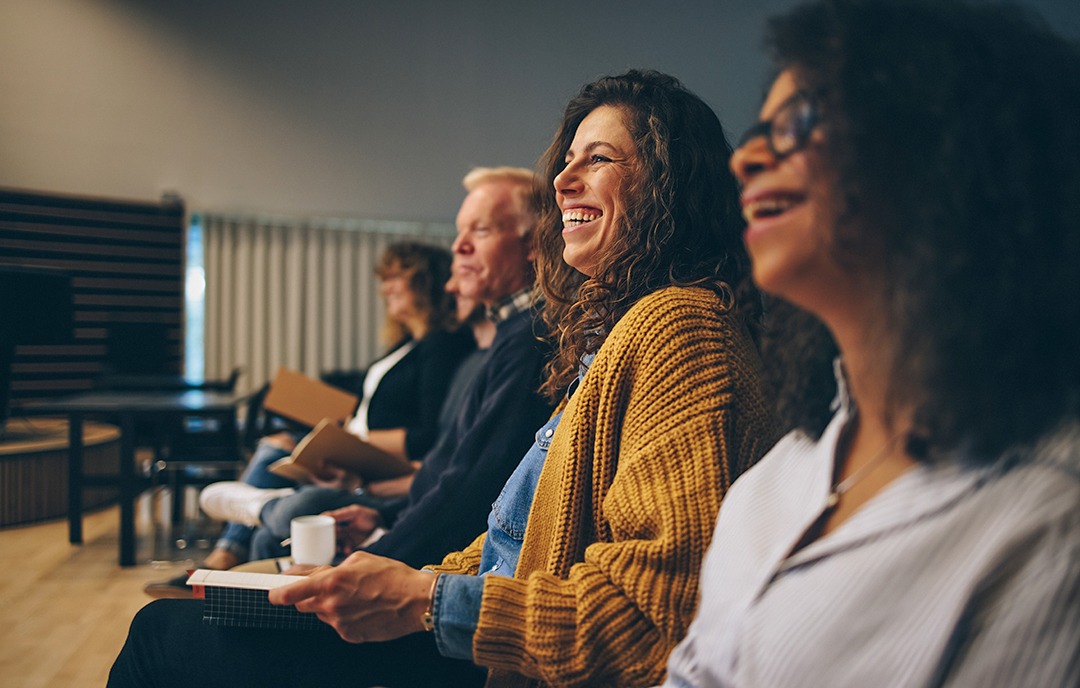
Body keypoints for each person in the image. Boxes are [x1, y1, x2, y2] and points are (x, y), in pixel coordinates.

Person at [109, 70, 782, 687]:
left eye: (598, 158)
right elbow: (508, 543)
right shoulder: (618, 334)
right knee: (186, 626)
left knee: (162, 638)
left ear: (670, 181)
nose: (563, 181)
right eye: (566, 161)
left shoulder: (681, 329)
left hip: (493, 659)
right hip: (474, 634)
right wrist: (405, 578)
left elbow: (655, 621)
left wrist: (421, 599)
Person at [660, 1, 1080, 686]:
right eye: (757, 128)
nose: (748, 157)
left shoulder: (1048, 520)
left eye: (802, 120)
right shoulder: (774, 481)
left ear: (948, 150)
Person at [190, 241, 473, 574]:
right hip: (358, 446)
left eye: (397, 278)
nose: (386, 289)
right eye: (384, 279)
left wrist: (352, 444)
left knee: (275, 468)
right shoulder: (403, 345)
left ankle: (232, 544)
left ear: (427, 284)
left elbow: (425, 436)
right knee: (275, 446)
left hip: (381, 461)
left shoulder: (439, 346)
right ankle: (232, 551)